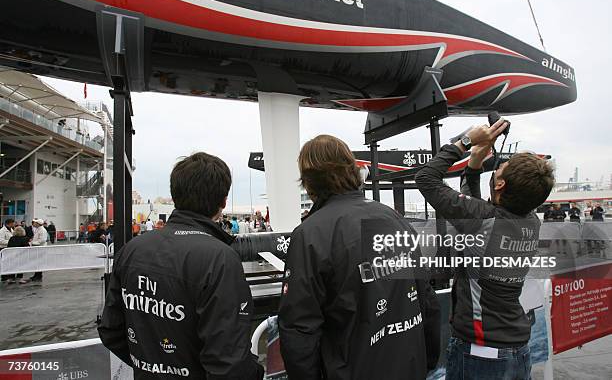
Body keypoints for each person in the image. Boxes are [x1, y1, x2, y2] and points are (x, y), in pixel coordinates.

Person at [279, 135, 440, 380]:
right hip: (409, 365)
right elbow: (426, 299)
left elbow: (299, 331)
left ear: (309, 182)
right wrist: (426, 360)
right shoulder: (394, 219)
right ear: (351, 170)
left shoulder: (311, 234)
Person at [98, 152, 263, 379]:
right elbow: (228, 362)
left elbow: (111, 330)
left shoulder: (132, 249)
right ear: (223, 201)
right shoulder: (220, 258)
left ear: (175, 195)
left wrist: (153, 366)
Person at [415, 119, 555, 380]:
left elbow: (425, 178)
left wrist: (466, 142)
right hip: (517, 348)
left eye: (500, 169)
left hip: (481, 353)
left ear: (500, 186)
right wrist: (475, 163)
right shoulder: (530, 220)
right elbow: (477, 208)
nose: (498, 168)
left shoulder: (486, 220)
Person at [0, 219, 15, 283]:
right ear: (9, 224)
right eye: (13, 223)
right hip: (3, 249)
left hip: (9, 249)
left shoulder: (11, 229)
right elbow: (1, 240)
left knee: (9, 263)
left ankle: (10, 276)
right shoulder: (2, 231)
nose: (14, 224)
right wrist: (10, 242)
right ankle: (4, 277)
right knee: (4, 263)